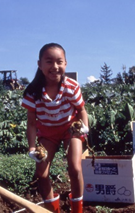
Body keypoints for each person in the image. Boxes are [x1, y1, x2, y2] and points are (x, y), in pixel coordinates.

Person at [22, 43, 89, 213]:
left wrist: (84, 129)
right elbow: (31, 122)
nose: (55, 67)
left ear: (65, 64)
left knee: (75, 168)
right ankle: (53, 209)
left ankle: (77, 210)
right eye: (49, 62)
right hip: (47, 133)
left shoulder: (71, 87)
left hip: (70, 130)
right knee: (42, 174)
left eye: (59, 62)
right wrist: (32, 147)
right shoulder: (32, 92)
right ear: (40, 64)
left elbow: (81, 110)